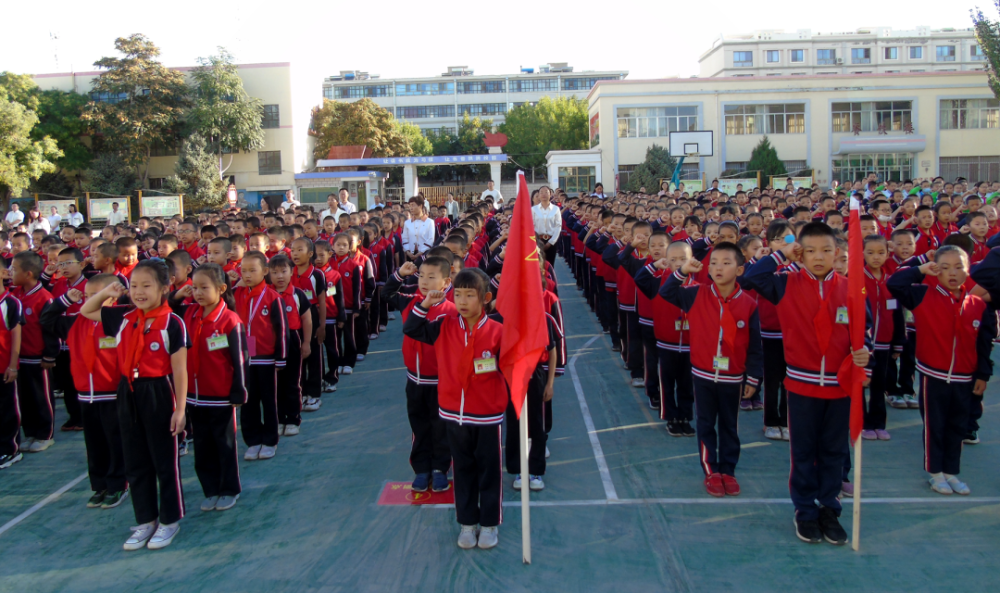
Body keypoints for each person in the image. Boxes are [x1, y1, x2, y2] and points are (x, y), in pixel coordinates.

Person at [742, 221, 870, 546]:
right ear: (800, 253)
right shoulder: (786, 284)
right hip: (801, 386)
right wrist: (781, 253)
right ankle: (805, 511)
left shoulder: (852, 288)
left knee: (834, 451)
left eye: (826, 250)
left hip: (840, 388)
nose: (818, 257)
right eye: (809, 250)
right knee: (802, 453)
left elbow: (863, 332)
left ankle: (829, 507)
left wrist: (865, 354)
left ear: (837, 253)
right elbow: (751, 278)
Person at [79, 259, 189, 551]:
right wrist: (107, 293)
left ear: (164, 288)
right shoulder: (124, 318)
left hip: (159, 392)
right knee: (136, 461)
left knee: (164, 461)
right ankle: (146, 520)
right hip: (127, 391)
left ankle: (169, 520)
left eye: (146, 286)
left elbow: (180, 369)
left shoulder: (171, 323)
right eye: (134, 286)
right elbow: (86, 310)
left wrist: (180, 410)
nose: (139, 292)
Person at [403, 268, 507, 551]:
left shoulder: (498, 331)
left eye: (469, 295)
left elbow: (511, 368)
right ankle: (467, 523)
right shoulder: (445, 326)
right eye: (457, 294)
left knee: (489, 471)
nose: (461, 301)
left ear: (485, 298)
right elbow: (411, 328)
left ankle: (488, 524)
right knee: (462, 470)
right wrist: (425, 303)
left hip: (486, 416)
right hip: (452, 414)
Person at [661, 242, 762, 497]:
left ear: (740, 270)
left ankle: (728, 469)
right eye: (714, 262)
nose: (718, 268)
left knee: (730, 425)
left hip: (733, 377)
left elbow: (754, 345)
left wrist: (753, 377)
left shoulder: (748, 304)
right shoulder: (696, 294)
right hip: (703, 374)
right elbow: (666, 292)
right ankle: (711, 471)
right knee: (705, 424)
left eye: (726, 263)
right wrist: (683, 270)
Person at [891, 246, 994, 495]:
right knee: (935, 426)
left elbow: (984, 344)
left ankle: (951, 473)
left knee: (958, 427)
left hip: (965, 378)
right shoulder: (923, 295)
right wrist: (920, 269)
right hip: (933, 376)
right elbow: (895, 284)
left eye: (959, 267)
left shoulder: (978, 305)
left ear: (969, 271)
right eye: (944, 267)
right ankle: (935, 474)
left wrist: (982, 375)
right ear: (936, 270)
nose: (952, 273)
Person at [41, 273, 128, 506]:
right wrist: (65, 300)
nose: (88, 301)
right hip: (85, 396)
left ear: (111, 298)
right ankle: (99, 485)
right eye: (87, 296)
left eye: (96, 296)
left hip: (112, 395)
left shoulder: (118, 321)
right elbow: (46, 320)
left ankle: (118, 484)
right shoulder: (75, 322)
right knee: (94, 444)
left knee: (115, 441)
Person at [384, 257, 456, 492]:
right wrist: (400, 274)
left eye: (431, 277)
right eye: (421, 276)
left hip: (440, 381)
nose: (424, 281)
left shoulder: (450, 311)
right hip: (414, 380)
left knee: (441, 426)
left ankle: (440, 468)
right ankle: (422, 468)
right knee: (419, 425)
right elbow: (387, 293)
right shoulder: (410, 301)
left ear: (446, 282)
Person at [233, 251, 287, 461]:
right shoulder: (236, 294)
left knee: (269, 400)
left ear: (265, 272)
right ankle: (253, 440)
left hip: (266, 359)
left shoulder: (273, 297)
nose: (247, 275)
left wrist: (281, 357)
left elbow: (281, 329)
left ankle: (270, 440)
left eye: (252, 270)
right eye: (243, 270)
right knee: (248, 401)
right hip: (244, 359)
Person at [11, 251, 58, 453]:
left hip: (39, 358)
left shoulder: (44, 298)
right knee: (25, 398)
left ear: (28, 273)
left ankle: (45, 434)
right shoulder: (16, 295)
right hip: (21, 357)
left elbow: (52, 328)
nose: (10, 273)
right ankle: (30, 432)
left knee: (42, 397)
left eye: (14, 269)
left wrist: (50, 354)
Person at [0, 257, 22, 469]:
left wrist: (13, 365)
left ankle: (10, 449)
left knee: (6, 409)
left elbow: (16, 335)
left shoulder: (10, 302)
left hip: (4, 367)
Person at [532, 186, 562, 266]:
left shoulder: (556, 209)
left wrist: (550, 242)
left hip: (551, 241)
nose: (543, 194)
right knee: (538, 265)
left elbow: (558, 226)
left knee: (550, 265)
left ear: (550, 194)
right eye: (541, 192)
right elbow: (531, 226)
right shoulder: (534, 209)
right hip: (537, 241)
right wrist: (536, 241)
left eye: (546, 192)